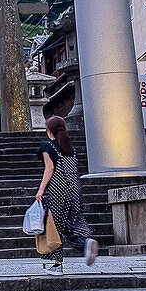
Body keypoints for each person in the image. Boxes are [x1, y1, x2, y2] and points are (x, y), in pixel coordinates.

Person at [33, 115, 98, 275]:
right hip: (75, 187)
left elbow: (49, 168)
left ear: (49, 131)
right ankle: (85, 242)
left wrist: (41, 190)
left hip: (58, 188)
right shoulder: (69, 147)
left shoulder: (47, 147)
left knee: (55, 226)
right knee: (74, 219)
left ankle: (58, 264)